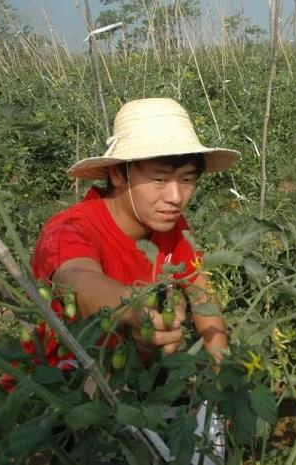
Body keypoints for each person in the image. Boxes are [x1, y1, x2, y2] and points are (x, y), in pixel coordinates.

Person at [31, 97, 240, 366]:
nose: (176, 197)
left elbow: (201, 291)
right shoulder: (68, 229)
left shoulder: (171, 225)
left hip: (136, 379)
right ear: (118, 174)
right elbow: (77, 278)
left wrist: (221, 372)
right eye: (159, 179)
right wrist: (135, 307)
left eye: (187, 180)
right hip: (62, 384)